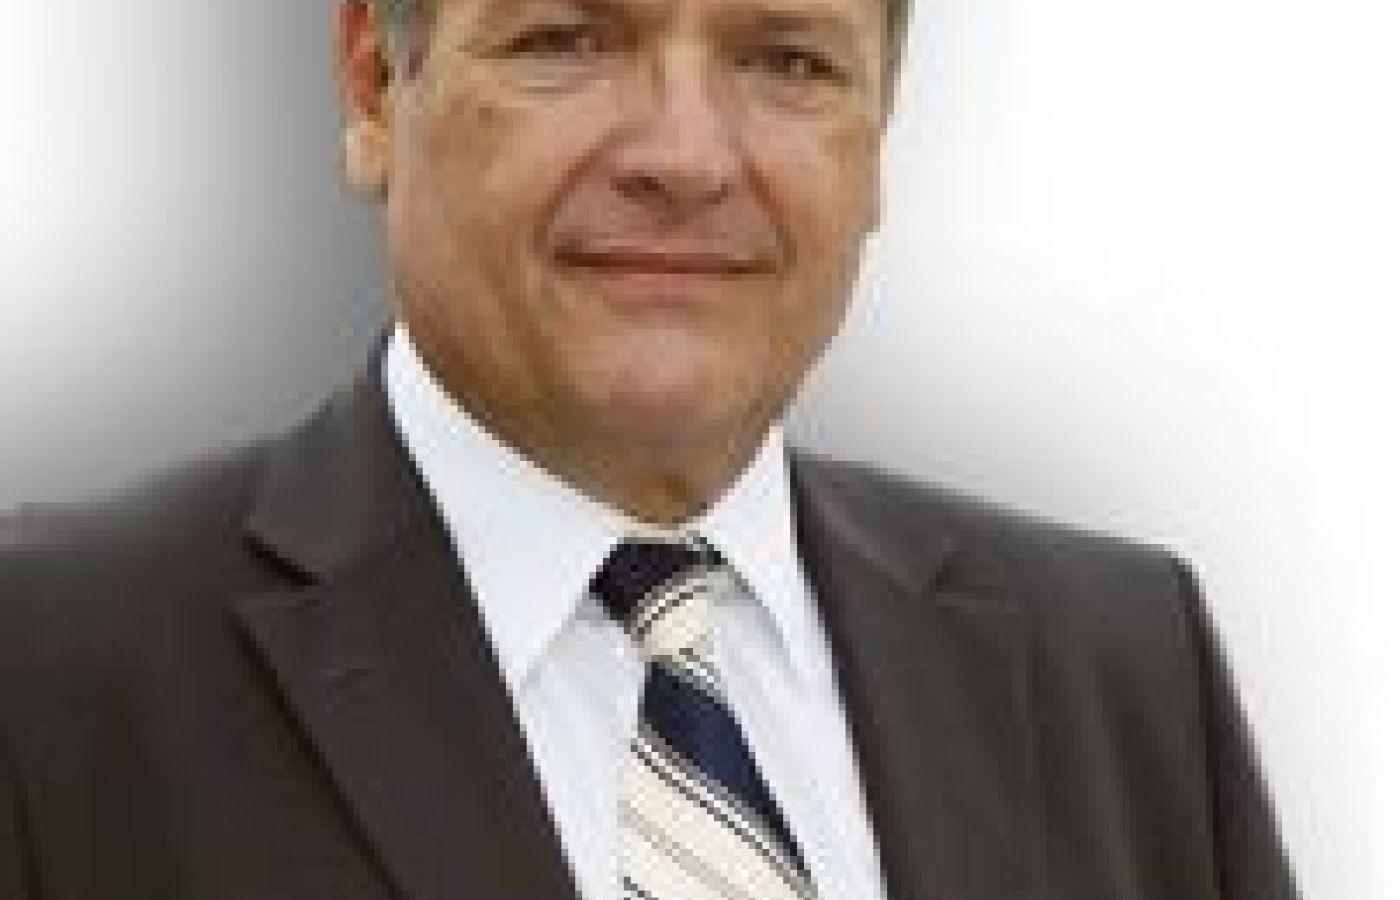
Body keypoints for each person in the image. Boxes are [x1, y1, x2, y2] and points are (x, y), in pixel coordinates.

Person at [0, 1, 1299, 898]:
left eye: (787, 59)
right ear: (373, 85)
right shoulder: (51, 669)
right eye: (568, 40)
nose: (685, 156)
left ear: (881, 131)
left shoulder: (1119, 662)